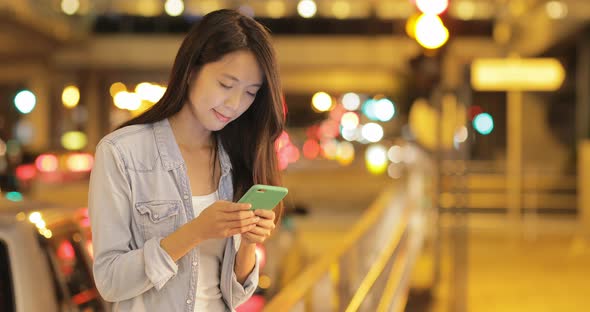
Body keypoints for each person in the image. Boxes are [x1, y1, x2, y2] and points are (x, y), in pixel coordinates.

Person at [88, 9, 285, 312]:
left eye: (249, 93)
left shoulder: (238, 158)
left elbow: (236, 294)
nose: (235, 104)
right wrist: (195, 232)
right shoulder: (122, 152)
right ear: (191, 70)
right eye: (225, 85)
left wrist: (248, 242)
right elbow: (110, 281)